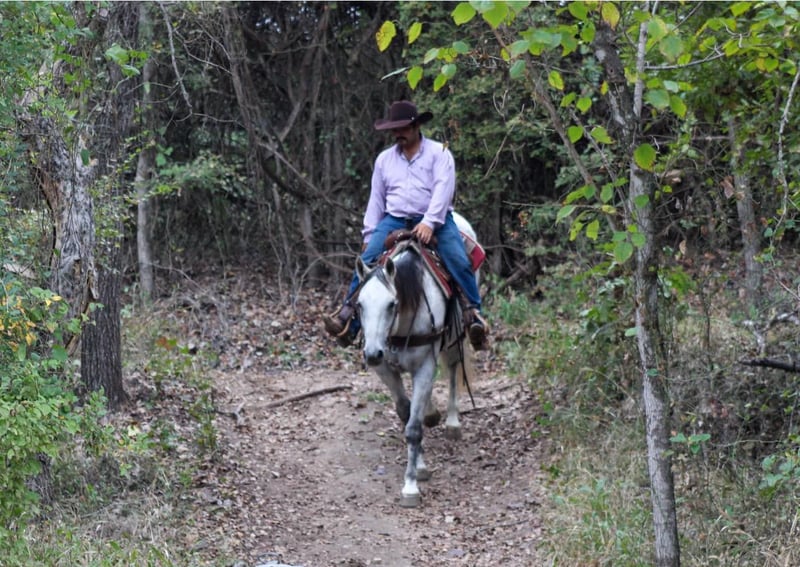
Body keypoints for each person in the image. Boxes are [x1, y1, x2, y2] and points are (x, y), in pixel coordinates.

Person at [323, 100, 488, 350]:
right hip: (394, 219)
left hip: (435, 219)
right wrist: (369, 233)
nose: (398, 133)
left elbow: (443, 191)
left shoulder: (439, 153)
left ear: (416, 126)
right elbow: (376, 199)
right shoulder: (384, 160)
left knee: (458, 260)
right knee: (366, 261)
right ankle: (348, 319)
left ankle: (474, 316)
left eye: (403, 128)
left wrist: (429, 222)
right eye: (395, 129)